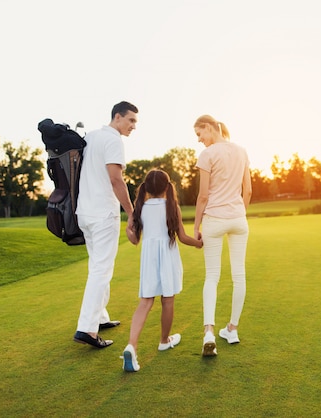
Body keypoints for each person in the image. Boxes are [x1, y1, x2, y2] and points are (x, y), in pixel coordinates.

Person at [121, 169, 202, 372]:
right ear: (167, 187)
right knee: (168, 300)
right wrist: (198, 244)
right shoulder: (171, 206)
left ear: (146, 188)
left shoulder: (140, 208)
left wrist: (128, 232)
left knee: (145, 302)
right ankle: (164, 341)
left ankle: (131, 345)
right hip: (167, 256)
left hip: (148, 258)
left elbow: (135, 240)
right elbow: (182, 237)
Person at [72, 101, 138, 349]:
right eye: (131, 120)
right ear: (118, 117)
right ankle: (87, 329)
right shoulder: (113, 140)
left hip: (85, 214)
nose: (133, 126)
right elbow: (115, 179)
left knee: (96, 265)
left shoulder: (91, 136)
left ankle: (100, 317)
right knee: (102, 269)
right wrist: (131, 213)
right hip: (101, 214)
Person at [193, 115, 252, 357]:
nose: (200, 140)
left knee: (212, 277)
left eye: (200, 134)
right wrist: (239, 214)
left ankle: (209, 331)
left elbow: (203, 196)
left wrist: (196, 226)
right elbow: (247, 190)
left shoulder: (208, 155)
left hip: (214, 220)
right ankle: (232, 330)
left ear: (209, 127)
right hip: (239, 219)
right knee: (239, 276)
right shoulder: (242, 151)